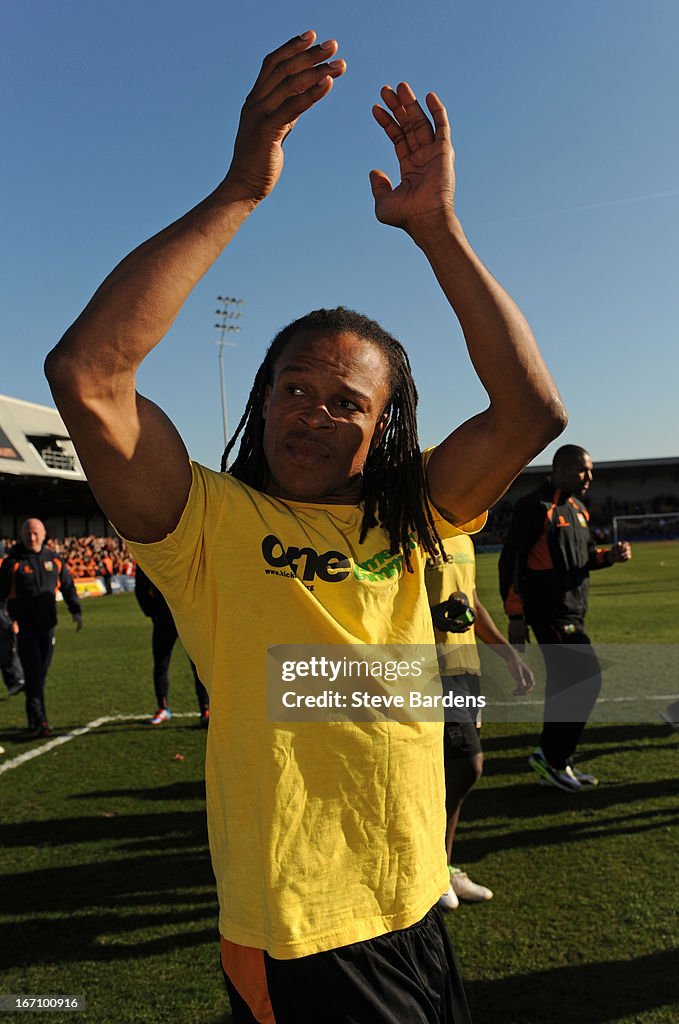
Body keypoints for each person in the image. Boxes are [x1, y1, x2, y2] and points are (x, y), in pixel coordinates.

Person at [45, 31, 566, 1024]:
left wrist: (437, 228)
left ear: (386, 429)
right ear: (260, 398)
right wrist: (242, 186)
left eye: (344, 401)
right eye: (292, 386)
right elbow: (90, 377)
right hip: (302, 933)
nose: (311, 411)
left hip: (415, 905)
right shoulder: (207, 527)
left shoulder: (419, 513)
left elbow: (528, 413)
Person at [499, 445, 632, 791]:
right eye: (582, 470)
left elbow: (585, 558)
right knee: (586, 679)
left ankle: (555, 759)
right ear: (560, 469)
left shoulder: (578, 509)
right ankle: (552, 757)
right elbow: (511, 562)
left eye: (590, 471)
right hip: (550, 614)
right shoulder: (534, 507)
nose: (588, 477)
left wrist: (610, 556)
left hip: (575, 610)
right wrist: (516, 615)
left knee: (567, 686)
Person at [426, 533, 534, 910]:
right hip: (429, 670)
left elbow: (470, 601)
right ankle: (431, 868)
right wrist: (432, 616)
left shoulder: (461, 539)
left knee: (449, 773)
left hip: (465, 668)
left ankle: (442, 865)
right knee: (465, 767)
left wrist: (508, 655)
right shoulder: (409, 531)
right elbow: (386, 605)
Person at [0, 519, 83, 736]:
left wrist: (75, 610)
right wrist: (8, 623)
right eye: (28, 533)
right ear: (22, 535)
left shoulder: (53, 559)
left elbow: (67, 585)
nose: (32, 537)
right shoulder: (12, 562)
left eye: (36, 533)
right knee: (35, 673)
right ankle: (41, 721)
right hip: (24, 629)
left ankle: (33, 720)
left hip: (49, 628)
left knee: (39, 675)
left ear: (44, 534)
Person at [134, 563, 210, 726]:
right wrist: (152, 612)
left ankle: (206, 708)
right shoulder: (151, 548)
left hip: (189, 618)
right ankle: (163, 708)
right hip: (163, 619)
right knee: (161, 664)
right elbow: (140, 586)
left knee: (198, 665)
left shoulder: (186, 547)